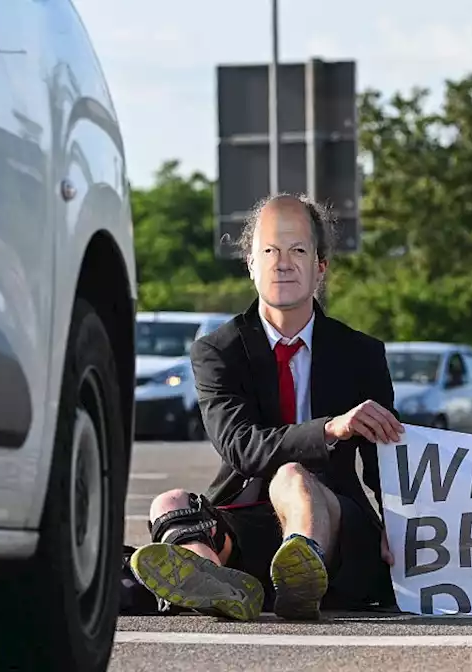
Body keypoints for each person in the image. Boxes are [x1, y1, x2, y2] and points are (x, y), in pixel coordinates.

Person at [127, 193, 405, 621]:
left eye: (298, 250)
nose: (283, 262)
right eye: (270, 251)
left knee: (294, 478)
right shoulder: (216, 351)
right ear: (251, 265)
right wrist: (330, 429)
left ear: (320, 267)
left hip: (336, 524)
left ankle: (302, 572)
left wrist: (400, 524)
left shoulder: (361, 353)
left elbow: (384, 457)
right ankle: (213, 579)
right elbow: (242, 448)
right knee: (170, 502)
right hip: (249, 516)